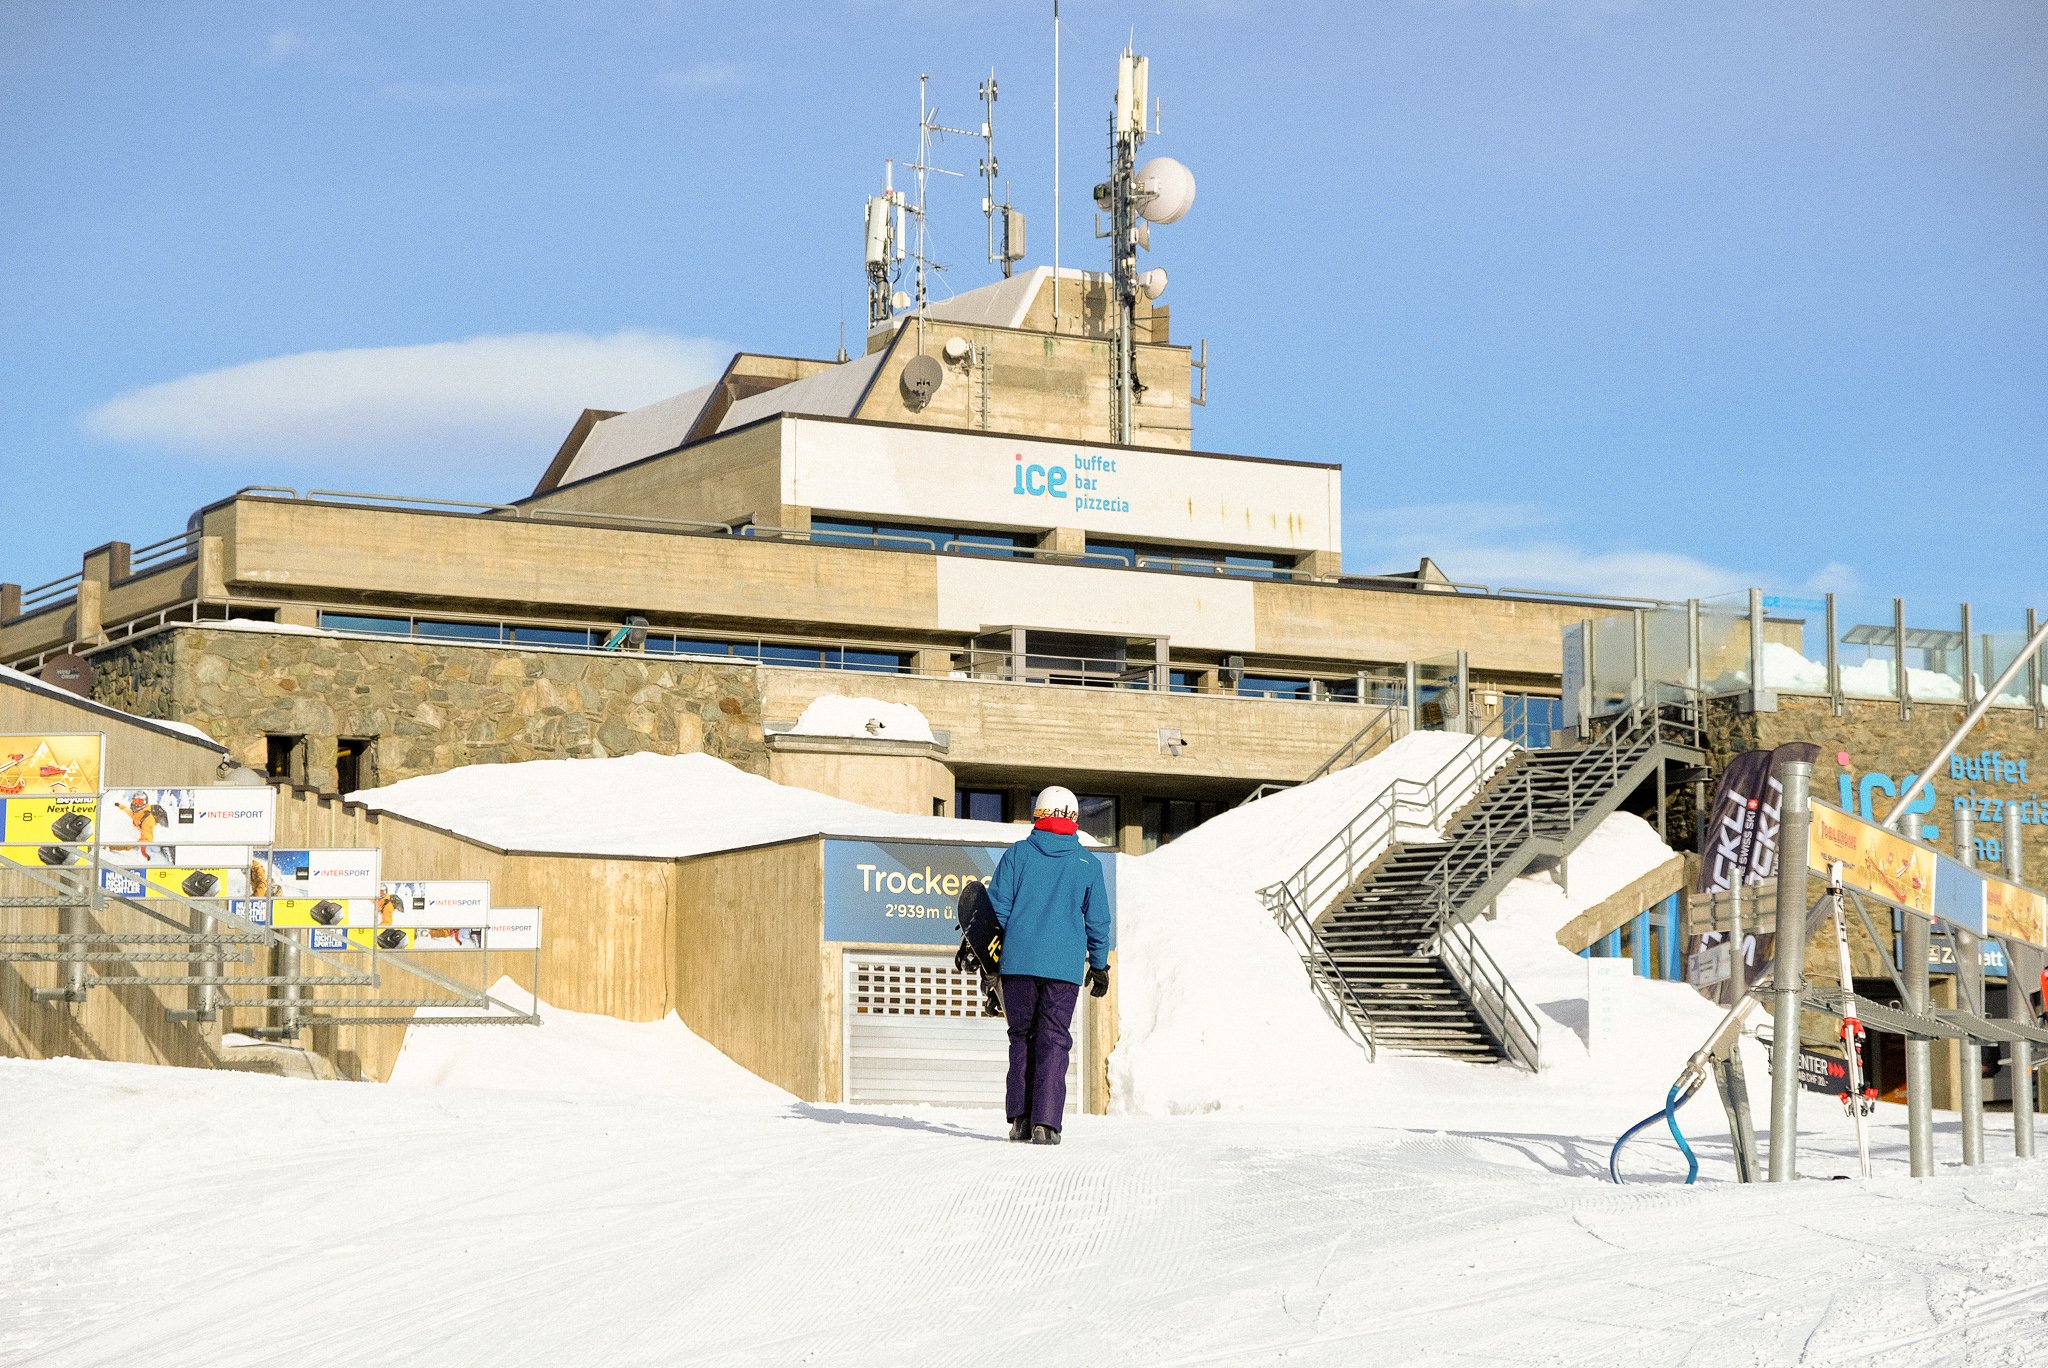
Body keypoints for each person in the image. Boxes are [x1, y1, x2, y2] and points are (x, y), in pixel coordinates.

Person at [984, 785, 1112, 1146]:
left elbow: (997, 913)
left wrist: (991, 971)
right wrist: (1099, 965)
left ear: (1038, 814)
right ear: (1073, 817)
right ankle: (1046, 1124)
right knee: (1053, 1040)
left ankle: (1020, 1121)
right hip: (1062, 970)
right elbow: (1098, 921)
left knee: (1021, 1038)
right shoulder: (1088, 864)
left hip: (1017, 966)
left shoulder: (1017, 856)